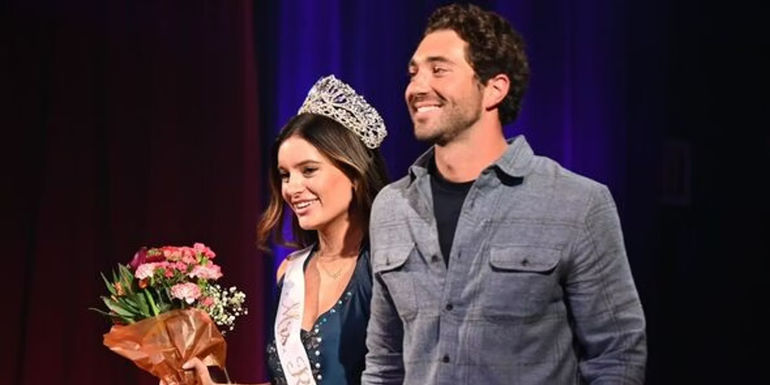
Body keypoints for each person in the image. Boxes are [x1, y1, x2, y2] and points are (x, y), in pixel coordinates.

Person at [362, 4, 646, 385]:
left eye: (439, 69)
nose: (417, 87)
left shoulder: (578, 204)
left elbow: (617, 357)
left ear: (494, 88)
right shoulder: (391, 207)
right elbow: (384, 362)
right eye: (413, 72)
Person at [180, 75, 389, 385]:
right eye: (284, 175)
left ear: (354, 173)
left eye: (308, 170)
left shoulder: (386, 266)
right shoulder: (290, 273)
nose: (292, 188)